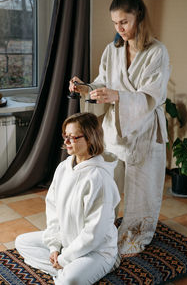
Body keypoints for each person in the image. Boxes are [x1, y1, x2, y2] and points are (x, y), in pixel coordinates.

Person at [69, 0, 170, 255]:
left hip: (146, 129)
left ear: (139, 17)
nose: (119, 28)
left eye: (124, 22)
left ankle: (136, 235)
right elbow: (104, 81)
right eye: (115, 23)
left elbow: (152, 95)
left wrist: (118, 96)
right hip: (116, 127)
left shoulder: (157, 52)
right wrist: (85, 88)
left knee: (142, 187)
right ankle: (100, 229)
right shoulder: (112, 50)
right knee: (107, 182)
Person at [15, 112, 120, 285]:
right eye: (66, 136)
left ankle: (71, 270)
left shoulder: (100, 178)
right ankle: (63, 269)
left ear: (90, 139)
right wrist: (55, 247)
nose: (66, 142)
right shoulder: (64, 167)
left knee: (70, 281)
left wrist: (64, 258)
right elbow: (53, 210)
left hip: (96, 251)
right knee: (22, 242)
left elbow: (94, 234)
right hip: (66, 241)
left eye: (73, 137)